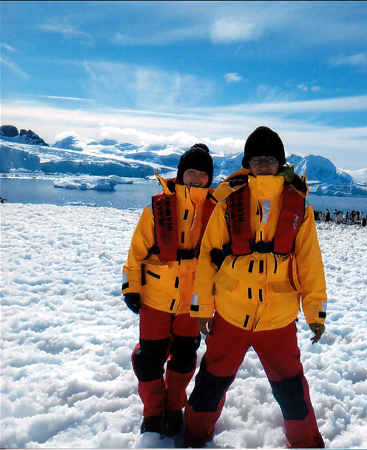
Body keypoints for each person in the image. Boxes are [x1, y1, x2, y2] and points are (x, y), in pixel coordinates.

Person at [184, 126, 328, 448]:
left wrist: (315, 312)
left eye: (270, 159)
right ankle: (192, 438)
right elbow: (207, 258)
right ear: (247, 164)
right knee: (209, 384)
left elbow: (310, 265)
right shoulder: (229, 203)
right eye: (257, 159)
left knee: (291, 391)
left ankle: (305, 443)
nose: (263, 165)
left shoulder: (300, 209)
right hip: (231, 314)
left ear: (281, 164)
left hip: (278, 319)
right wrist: (201, 308)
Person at [122, 144, 217, 436]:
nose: (196, 178)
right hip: (155, 297)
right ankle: (152, 413)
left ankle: (174, 407)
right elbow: (137, 251)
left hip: (192, 301)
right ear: (180, 174)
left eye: (203, 174)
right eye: (191, 172)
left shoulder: (216, 210)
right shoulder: (157, 207)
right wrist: (131, 287)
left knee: (184, 358)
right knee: (149, 359)